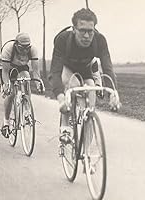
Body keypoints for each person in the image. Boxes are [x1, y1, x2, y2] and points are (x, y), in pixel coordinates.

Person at [49, 8, 120, 143]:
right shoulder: (63, 39)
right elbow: (54, 72)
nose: (87, 36)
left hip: (86, 70)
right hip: (67, 68)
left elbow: (108, 68)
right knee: (72, 84)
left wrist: (113, 93)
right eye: (82, 31)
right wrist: (60, 97)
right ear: (74, 29)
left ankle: (85, 154)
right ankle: (65, 125)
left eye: (90, 31)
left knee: (91, 103)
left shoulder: (100, 40)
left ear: (94, 29)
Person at [0, 32, 44, 138]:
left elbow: (36, 70)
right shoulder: (8, 49)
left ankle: (27, 111)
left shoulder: (32, 50)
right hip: (8, 68)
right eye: (22, 48)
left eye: (27, 48)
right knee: (10, 94)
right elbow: (5, 72)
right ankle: (6, 123)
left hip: (21, 67)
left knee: (27, 79)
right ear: (16, 45)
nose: (25, 51)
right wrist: (6, 84)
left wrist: (38, 82)